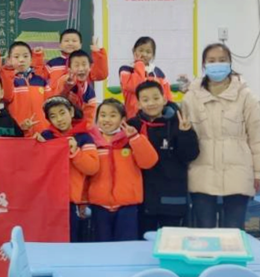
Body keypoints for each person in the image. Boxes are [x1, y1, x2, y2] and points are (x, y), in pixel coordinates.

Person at [181, 43, 260, 229]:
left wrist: (258, 172)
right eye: (212, 60)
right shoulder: (191, 97)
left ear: (230, 63)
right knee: (204, 231)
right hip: (201, 172)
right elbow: (185, 139)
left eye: (222, 60)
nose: (217, 64)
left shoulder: (245, 96)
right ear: (204, 65)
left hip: (238, 173)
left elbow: (257, 137)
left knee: (234, 230)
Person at [127, 81, 198, 234]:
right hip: (143, 198)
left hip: (172, 195)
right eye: (145, 100)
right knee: (144, 241)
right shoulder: (132, 126)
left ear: (164, 99)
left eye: (155, 98)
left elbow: (190, 155)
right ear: (138, 104)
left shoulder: (179, 122)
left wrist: (185, 134)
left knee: (173, 241)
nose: (151, 103)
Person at [88, 99, 158, 241]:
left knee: (126, 245)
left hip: (127, 206)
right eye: (103, 115)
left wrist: (135, 138)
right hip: (98, 205)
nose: (107, 119)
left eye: (113, 115)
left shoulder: (131, 139)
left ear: (123, 119)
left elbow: (148, 162)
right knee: (100, 247)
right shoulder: (90, 141)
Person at [38, 97, 98, 242]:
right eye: (53, 116)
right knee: (51, 241)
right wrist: (33, 141)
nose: (59, 119)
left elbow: (92, 168)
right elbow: (35, 166)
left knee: (72, 241)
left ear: (71, 112)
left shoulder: (84, 138)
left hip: (72, 200)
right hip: (49, 201)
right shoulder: (45, 137)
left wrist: (76, 152)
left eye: (62, 113)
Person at [0, 42, 52, 136]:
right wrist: (8, 71)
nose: (21, 60)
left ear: (31, 59)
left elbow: (50, 104)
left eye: (25, 56)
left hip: (43, 133)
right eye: (16, 57)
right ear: (9, 60)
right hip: (19, 132)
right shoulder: (9, 80)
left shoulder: (40, 81)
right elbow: (6, 97)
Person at [119, 37, 173, 119]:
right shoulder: (126, 70)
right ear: (134, 51)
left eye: (148, 52)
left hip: (156, 118)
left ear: (153, 55)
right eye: (141, 50)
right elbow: (136, 86)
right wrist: (139, 64)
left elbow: (167, 95)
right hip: (134, 117)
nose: (144, 54)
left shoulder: (157, 72)